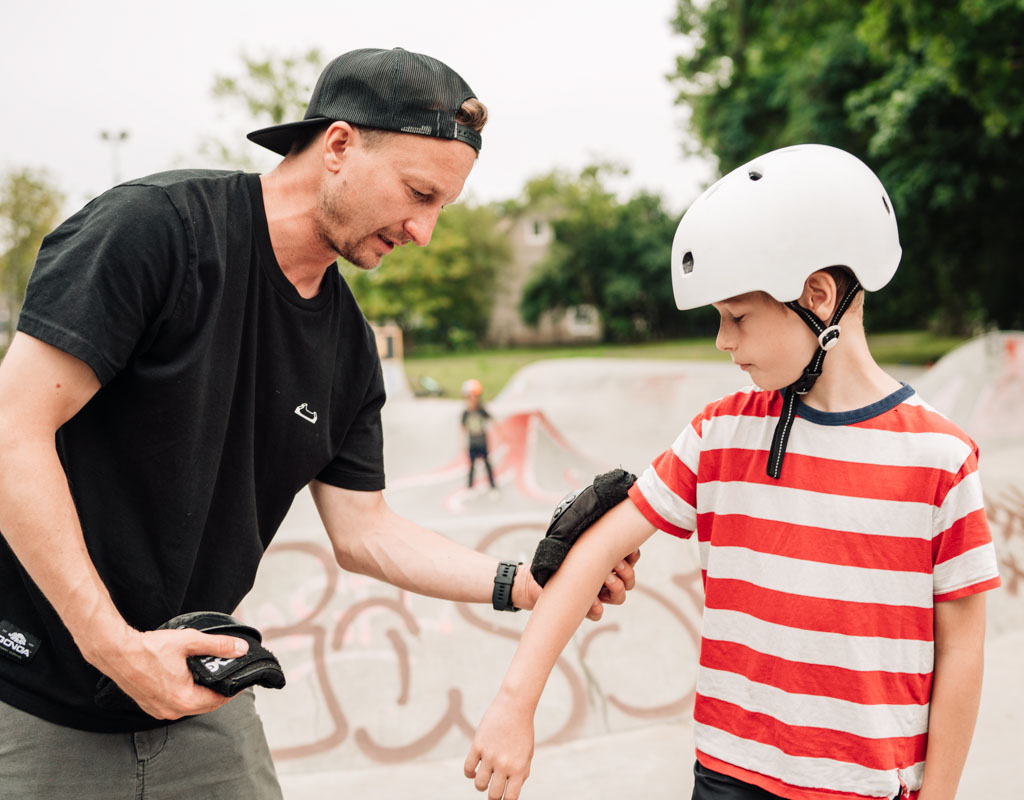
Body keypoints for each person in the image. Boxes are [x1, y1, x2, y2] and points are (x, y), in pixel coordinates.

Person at [0, 46, 636, 799]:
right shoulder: (157, 231)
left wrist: (522, 583)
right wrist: (112, 646)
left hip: (198, 696)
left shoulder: (349, 349)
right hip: (33, 695)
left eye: (442, 207)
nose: (424, 231)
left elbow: (365, 532)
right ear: (338, 145)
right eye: (418, 193)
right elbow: (12, 433)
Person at [464, 144, 1001, 800]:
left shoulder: (938, 458)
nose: (722, 340)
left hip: (865, 785)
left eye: (737, 317)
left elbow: (962, 650)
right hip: (728, 777)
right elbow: (597, 546)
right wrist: (515, 703)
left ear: (817, 297)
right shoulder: (720, 434)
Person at [462, 378, 498, 491]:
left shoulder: (481, 410)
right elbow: (462, 428)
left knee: (487, 463)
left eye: (474, 397)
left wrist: (500, 434)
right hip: (472, 443)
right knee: (472, 466)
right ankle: (470, 486)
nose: (472, 400)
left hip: (482, 442)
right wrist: (462, 442)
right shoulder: (466, 413)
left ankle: (492, 484)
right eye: (470, 398)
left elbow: (492, 419)